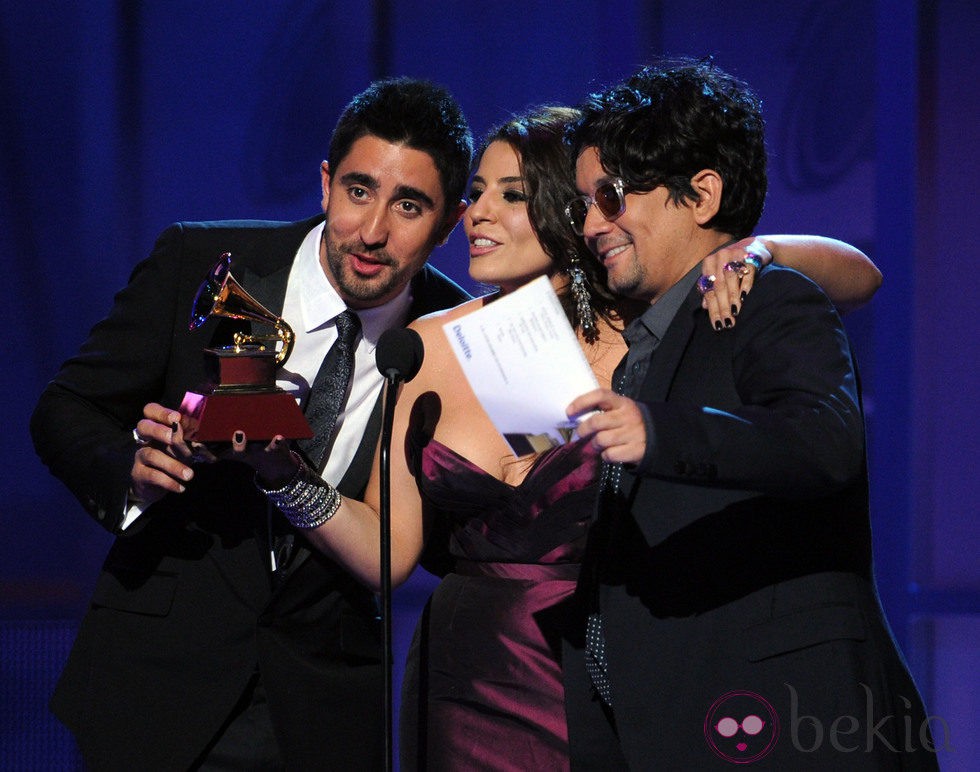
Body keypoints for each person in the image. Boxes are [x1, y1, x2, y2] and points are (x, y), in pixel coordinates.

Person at [231, 103, 884, 770]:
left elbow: (860, 276)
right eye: (477, 193)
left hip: (607, 669)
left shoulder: (650, 325)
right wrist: (283, 475)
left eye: (511, 195)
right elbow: (389, 556)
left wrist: (756, 250)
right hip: (467, 678)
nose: (478, 214)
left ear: (569, 208)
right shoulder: (426, 343)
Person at [29, 77, 472, 771]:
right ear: (325, 183)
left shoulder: (454, 333)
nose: (374, 231)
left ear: (448, 225)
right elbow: (63, 409)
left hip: (321, 709)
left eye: (409, 206)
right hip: (154, 684)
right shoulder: (198, 261)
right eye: (358, 191)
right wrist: (132, 476)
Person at [563, 60, 936, 769]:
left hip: (780, 724)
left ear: (701, 195)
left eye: (609, 197)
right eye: (585, 203)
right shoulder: (644, 338)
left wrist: (659, 431)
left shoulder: (766, 299)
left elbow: (825, 441)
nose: (590, 224)